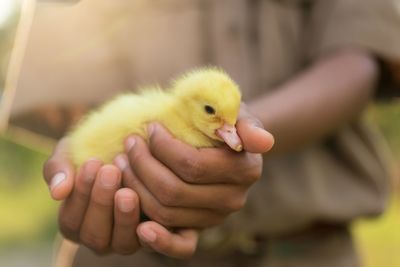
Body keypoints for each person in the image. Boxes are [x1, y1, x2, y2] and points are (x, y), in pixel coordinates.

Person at [10, 0, 400, 266]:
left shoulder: (193, 120)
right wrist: (90, 163)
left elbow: (358, 57)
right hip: (131, 257)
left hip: (307, 253)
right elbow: (69, 95)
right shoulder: (172, 119)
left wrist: (246, 129)